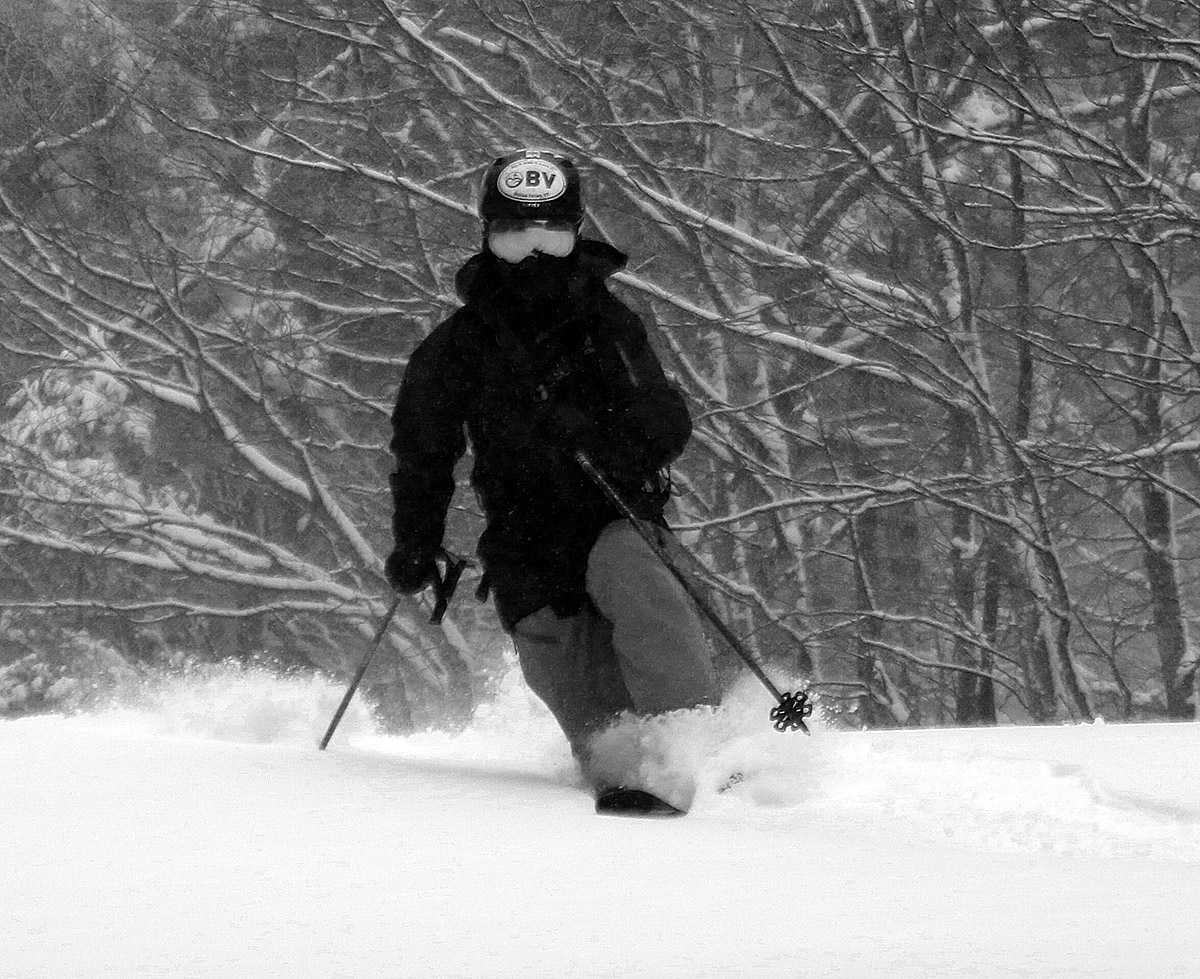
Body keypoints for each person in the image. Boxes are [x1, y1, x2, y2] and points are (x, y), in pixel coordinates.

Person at [385, 149, 719, 813]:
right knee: (591, 709)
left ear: (575, 236)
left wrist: (604, 437)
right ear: (488, 238)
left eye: (552, 236)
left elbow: (664, 420)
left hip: (612, 515)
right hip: (526, 547)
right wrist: (416, 541)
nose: (534, 255)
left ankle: (693, 756)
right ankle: (629, 771)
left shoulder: (608, 326)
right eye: (516, 237)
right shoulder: (458, 346)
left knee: (636, 578)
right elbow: (423, 451)